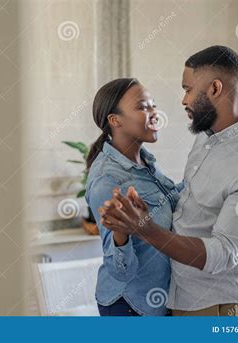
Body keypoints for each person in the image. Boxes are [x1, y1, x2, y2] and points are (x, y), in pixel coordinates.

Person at [99, 46, 238, 316]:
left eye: (188, 89)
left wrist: (145, 228)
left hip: (220, 307)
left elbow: (221, 253)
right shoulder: (206, 138)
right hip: (185, 300)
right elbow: (191, 206)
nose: (183, 100)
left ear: (214, 89)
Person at [85, 78, 180, 316]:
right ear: (115, 120)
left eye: (153, 106)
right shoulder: (107, 180)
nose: (154, 113)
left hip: (160, 299)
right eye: (143, 107)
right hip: (130, 306)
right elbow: (121, 271)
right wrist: (122, 232)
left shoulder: (145, 162)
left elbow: (172, 202)